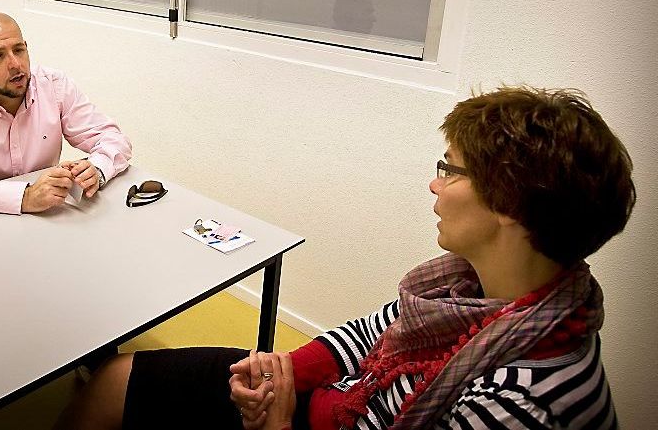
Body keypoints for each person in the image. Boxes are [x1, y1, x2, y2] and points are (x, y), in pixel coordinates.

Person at [56, 87, 634, 430]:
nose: (435, 186)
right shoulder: (470, 286)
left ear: (511, 205)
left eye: (451, 170)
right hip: (333, 400)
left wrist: (276, 422)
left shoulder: (522, 405)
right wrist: (281, 373)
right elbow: (370, 332)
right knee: (112, 379)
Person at [0, 11, 132, 214]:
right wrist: (24, 197)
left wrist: (97, 169)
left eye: (19, 50)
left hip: (49, 217)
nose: (15, 64)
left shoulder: (55, 86)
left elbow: (113, 139)